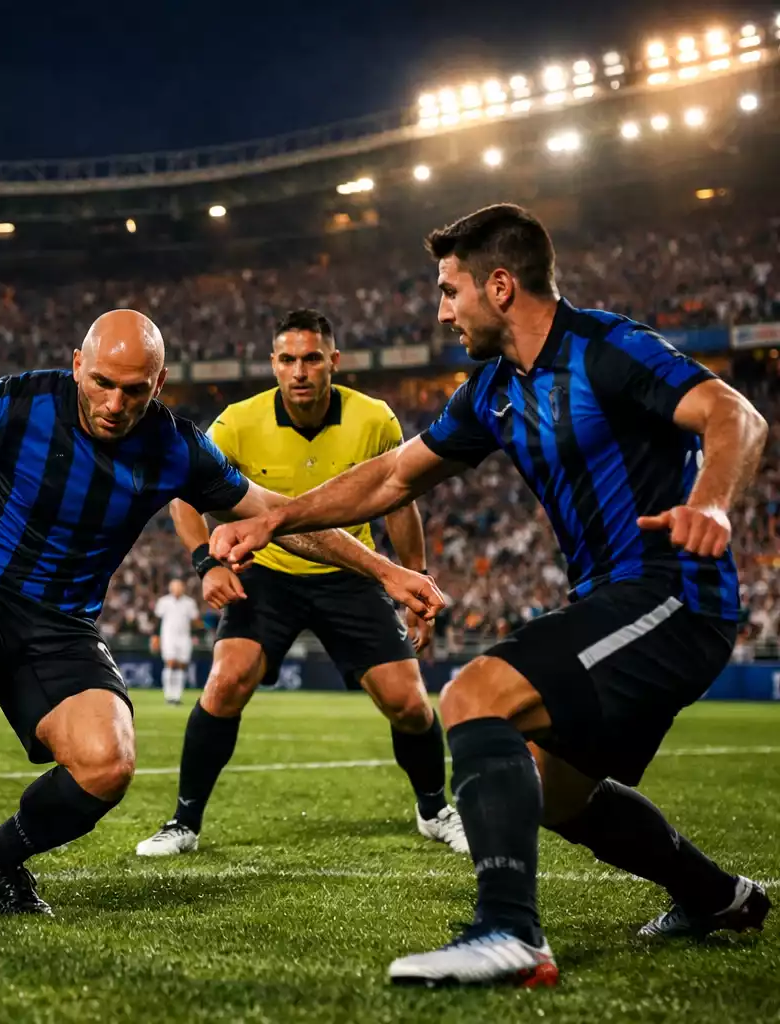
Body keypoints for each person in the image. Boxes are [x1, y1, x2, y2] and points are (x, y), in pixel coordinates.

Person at [212, 204, 770, 986]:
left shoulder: (605, 348)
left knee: (475, 695)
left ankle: (510, 932)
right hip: (610, 601)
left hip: (674, 593)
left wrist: (710, 503)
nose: (442, 312)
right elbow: (393, 477)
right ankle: (714, 895)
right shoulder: (492, 391)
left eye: (450, 291)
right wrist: (277, 518)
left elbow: (734, 414)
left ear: (500, 286)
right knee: (553, 793)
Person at [0, 308, 444, 917]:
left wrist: (388, 571)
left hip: (61, 621)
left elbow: (280, 516)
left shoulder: (175, 446)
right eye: (101, 381)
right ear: (78, 364)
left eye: (134, 390)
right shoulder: (19, 402)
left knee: (108, 764)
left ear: (158, 384)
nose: (114, 403)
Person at [136, 309, 466, 859]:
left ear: (333, 361)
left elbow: (400, 502)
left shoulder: (374, 419)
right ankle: (183, 822)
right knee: (225, 682)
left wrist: (414, 578)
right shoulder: (238, 423)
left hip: (352, 574)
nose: (300, 371)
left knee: (409, 703)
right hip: (268, 576)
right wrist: (206, 563)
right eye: (288, 359)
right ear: (273, 364)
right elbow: (184, 494)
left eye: (312, 358)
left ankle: (434, 810)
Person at [150, 578, 200, 705]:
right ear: (171, 588)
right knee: (170, 663)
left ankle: (177, 696)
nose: (177, 589)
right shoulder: (164, 602)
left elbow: (195, 621)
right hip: (168, 636)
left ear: (183, 588)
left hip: (184, 637)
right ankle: (168, 695)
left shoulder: (190, 603)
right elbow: (157, 621)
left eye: (179, 586)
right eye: (175, 587)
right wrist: (155, 637)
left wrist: (196, 634)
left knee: (182, 665)